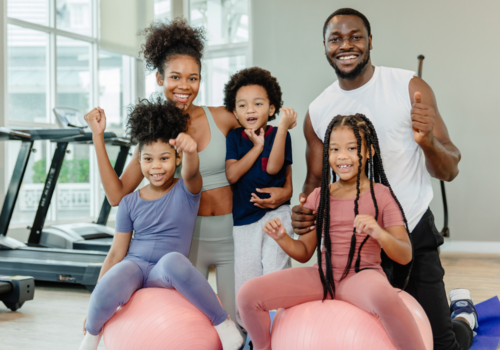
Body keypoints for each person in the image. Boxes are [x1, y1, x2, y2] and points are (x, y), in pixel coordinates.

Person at [83, 18, 292, 329]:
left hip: (231, 233)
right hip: (187, 241)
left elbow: (270, 135)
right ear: (159, 78)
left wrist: (286, 190)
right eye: (175, 77)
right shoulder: (155, 133)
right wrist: (97, 137)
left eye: (193, 78)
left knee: (238, 321)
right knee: (191, 325)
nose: (184, 86)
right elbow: (116, 195)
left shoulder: (222, 117)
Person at [291, 8, 476, 350]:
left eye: (355, 36)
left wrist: (428, 142)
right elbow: (315, 182)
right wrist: (302, 212)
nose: (346, 45)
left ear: (370, 41)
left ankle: (463, 317)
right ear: (325, 46)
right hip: (353, 246)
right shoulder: (318, 111)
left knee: (440, 345)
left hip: (410, 232)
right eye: (336, 38)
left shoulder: (409, 87)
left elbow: (449, 170)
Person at [238, 114, 426, 350]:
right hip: (322, 277)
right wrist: (282, 238)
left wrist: (380, 233)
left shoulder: (381, 195)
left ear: (370, 152)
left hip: (362, 276)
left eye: (352, 148)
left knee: (385, 297)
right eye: (335, 149)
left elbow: (405, 255)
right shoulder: (319, 196)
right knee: (248, 295)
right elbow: (305, 251)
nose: (342, 156)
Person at [79, 99, 243, 350]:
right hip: (135, 266)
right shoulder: (129, 202)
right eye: (148, 159)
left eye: (164, 158)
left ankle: (223, 323)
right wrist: (94, 304)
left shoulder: (187, 190)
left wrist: (190, 151)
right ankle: (92, 335)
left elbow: (191, 172)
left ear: (176, 159)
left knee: (174, 260)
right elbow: (116, 253)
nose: (156, 166)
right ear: (140, 160)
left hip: (163, 272)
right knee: (114, 275)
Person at [223, 67, 297, 326]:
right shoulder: (234, 137)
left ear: (272, 108)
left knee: (274, 271)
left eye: (258, 103)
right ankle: (251, 333)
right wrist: (256, 147)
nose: (250, 110)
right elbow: (232, 175)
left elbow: (274, 168)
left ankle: (279, 329)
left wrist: (283, 128)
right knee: (247, 279)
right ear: (235, 112)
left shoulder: (280, 134)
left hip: (276, 213)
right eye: (242, 105)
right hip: (244, 220)